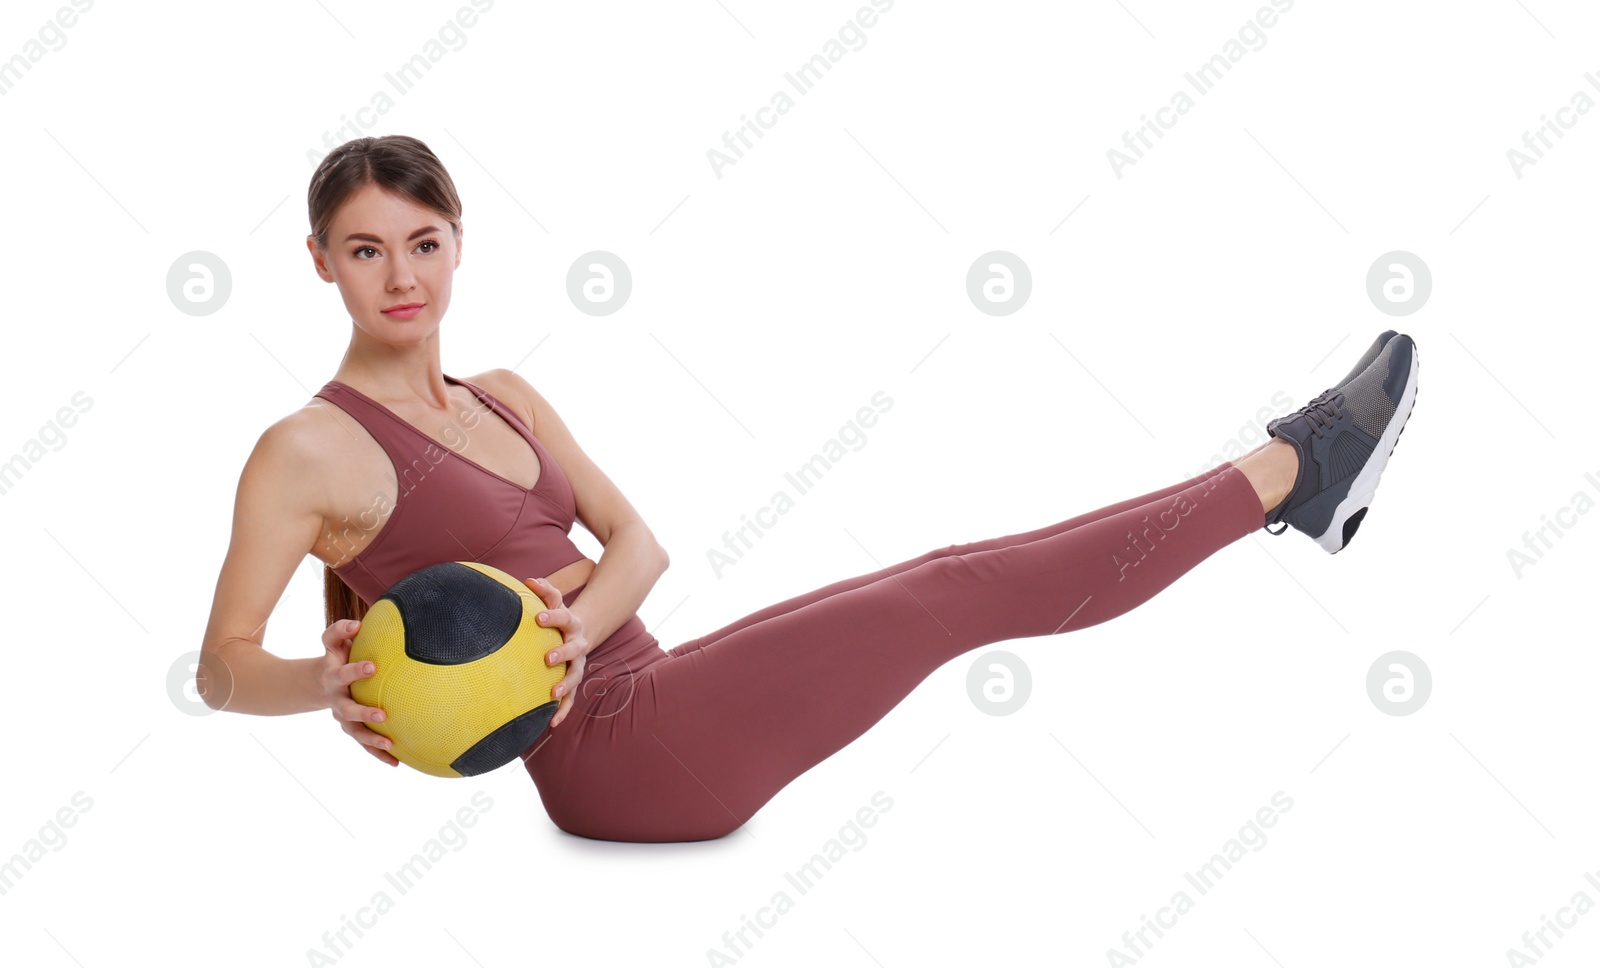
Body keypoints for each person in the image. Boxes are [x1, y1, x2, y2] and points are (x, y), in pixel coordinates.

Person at [196, 134, 1420, 843]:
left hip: (653, 685)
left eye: (422, 243)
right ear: (321, 263)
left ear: (458, 242)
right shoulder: (305, 450)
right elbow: (222, 664)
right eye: (365, 250)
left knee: (935, 576)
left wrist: (566, 615)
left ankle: (1295, 484)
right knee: (955, 591)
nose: (400, 277)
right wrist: (332, 687)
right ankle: (1290, 472)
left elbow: (641, 546)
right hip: (616, 764)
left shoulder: (505, 390)